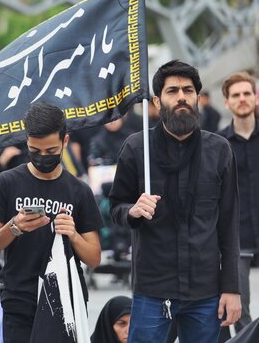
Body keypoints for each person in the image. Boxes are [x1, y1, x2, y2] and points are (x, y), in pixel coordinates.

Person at [109, 60, 241, 342]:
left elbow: (229, 225)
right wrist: (132, 210)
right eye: (172, 91)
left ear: (197, 97)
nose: (181, 96)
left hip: (206, 292)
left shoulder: (219, 150)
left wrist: (232, 288)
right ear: (157, 101)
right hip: (152, 290)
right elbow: (116, 208)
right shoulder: (135, 148)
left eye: (188, 90)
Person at [0, 102, 103, 342]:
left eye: (51, 151)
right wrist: (15, 226)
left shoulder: (79, 191)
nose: (42, 158)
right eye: (34, 150)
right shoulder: (6, 183)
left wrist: (73, 234)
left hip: (65, 302)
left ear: (65, 141)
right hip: (19, 299)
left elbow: (94, 258)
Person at [217, 71, 259, 332]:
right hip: (237, 237)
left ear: (255, 98)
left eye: (247, 93)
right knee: (239, 309)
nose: (242, 99)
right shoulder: (217, 144)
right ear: (226, 102)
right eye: (236, 95)